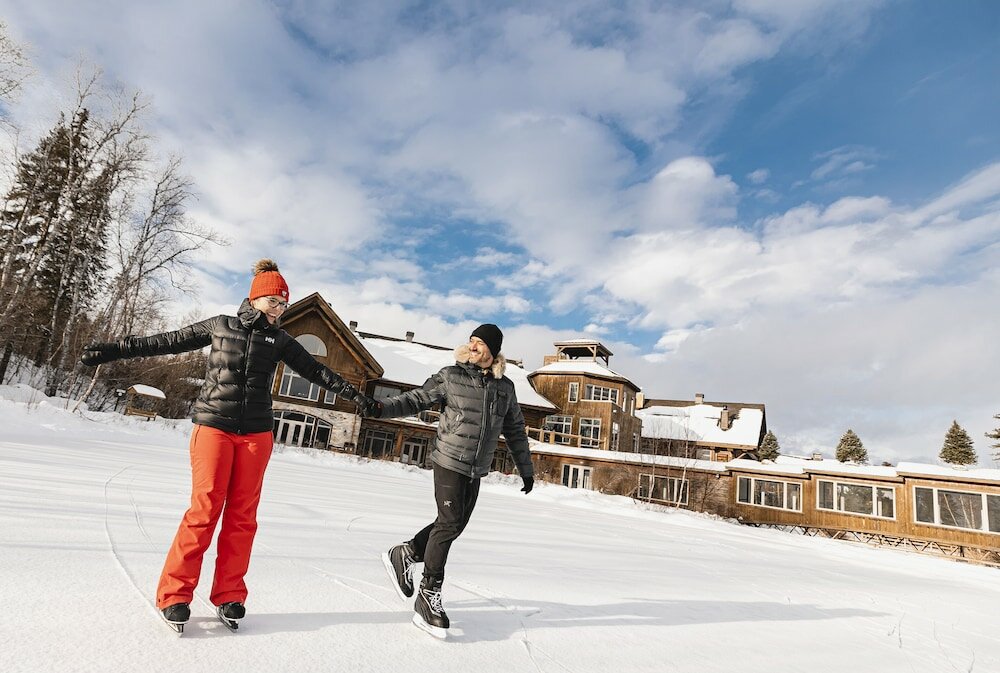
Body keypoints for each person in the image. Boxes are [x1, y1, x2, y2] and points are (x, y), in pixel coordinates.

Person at [81, 259, 364, 631]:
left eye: (284, 304)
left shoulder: (280, 340)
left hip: (257, 433)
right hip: (213, 427)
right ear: (256, 298)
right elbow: (166, 341)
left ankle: (230, 594)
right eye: (275, 301)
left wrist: (359, 397)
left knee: (243, 517)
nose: (280, 310)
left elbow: (318, 372)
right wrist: (112, 349)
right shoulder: (220, 326)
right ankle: (175, 594)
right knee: (204, 510)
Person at [359, 323, 534, 638]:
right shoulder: (451, 376)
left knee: (453, 525)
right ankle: (429, 596)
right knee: (450, 523)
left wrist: (526, 467)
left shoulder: (504, 387)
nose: (474, 346)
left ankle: (408, 552)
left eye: (481, 343)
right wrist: (381, 407)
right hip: (449, 460)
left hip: (476, 467)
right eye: (472, 341)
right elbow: (416, 399)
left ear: (493, 351)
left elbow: (516, 429)